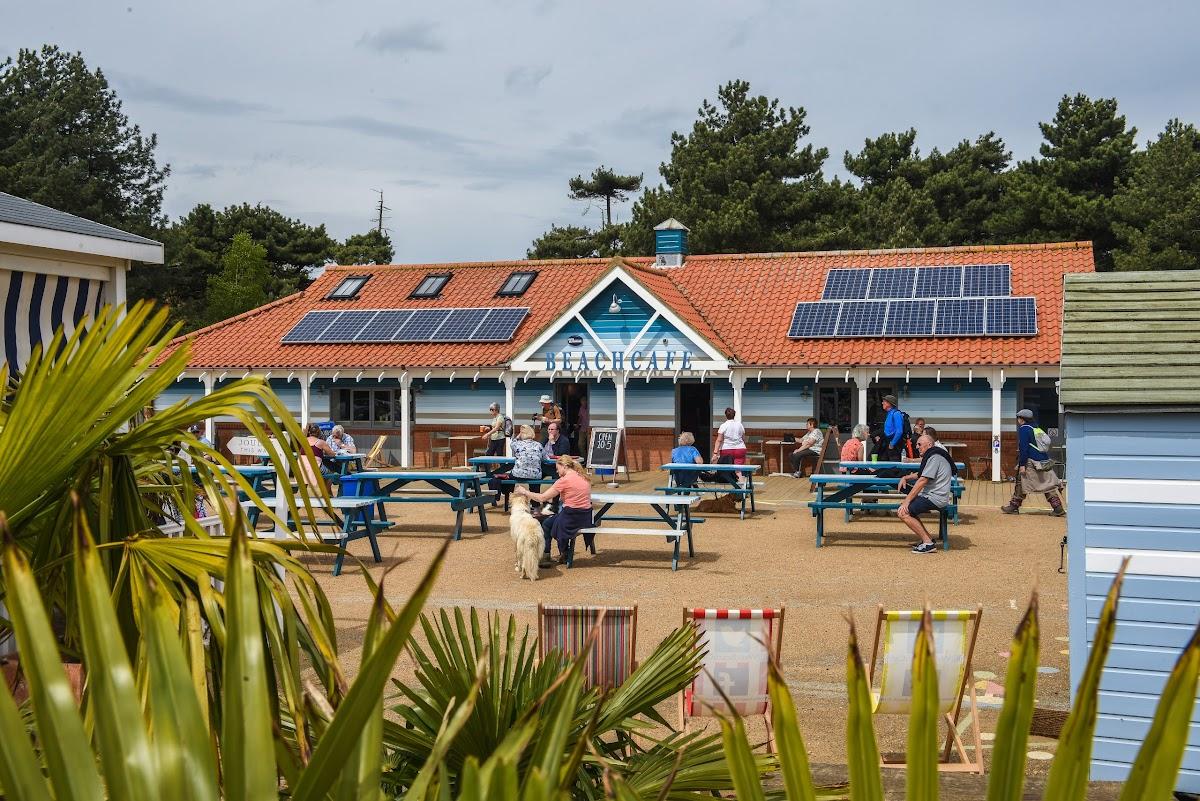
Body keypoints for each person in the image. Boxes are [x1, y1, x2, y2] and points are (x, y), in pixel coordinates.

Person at [515, 455, 593, 569]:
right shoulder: (583, 477)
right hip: (585, 517)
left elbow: (542, 498)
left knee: (547, 524)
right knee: (556, 519)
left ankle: (546, 556)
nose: (557, 471)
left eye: (558, 468)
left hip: (572, 518)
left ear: (565, 466)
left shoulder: (564, 480)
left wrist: (525, 492)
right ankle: (564, 553)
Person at [897, 433, 956, 554]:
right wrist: (906, 477)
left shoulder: (934, 457)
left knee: (903, 512)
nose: (917, 447)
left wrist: (906, 501)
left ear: (929, 444)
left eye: (919, 444)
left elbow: (922, 480)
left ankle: (928, 543)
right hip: (934, 496)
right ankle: (928, 539)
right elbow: (921, 474)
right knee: (909, 509)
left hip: (935, 497)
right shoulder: (934, 454)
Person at [1001, 409, 1065, 517]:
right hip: (1043, 460)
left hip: (1031, 461)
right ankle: (1057, 507)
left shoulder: (1024, 429)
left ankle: (1014, 506)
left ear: (1022, 419)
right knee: (1047, 484)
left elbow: (1023, 448)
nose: (1018, 420)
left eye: (1018, 417)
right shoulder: (1036, 427)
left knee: (1021, 481)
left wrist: (1022, 464)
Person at [713, 407, 747, 488]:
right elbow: (743, 438)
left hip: (726, 449)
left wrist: (715, 453)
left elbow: (719, 440)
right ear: (734, 415)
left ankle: (723, 489)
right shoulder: (740, 425)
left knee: (724, 470)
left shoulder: (723, 426)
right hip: (740, 448)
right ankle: (742, 491)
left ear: (726, 415)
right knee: (738, 470)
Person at [880, 395, 907, 461]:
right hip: (888, 442)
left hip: (895, 444)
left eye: (884, 401)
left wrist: (892, 443)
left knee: (894, 465)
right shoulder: (889, 413)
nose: (882, 403)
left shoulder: (896, 414)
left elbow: (899, 431)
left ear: (889, 403)